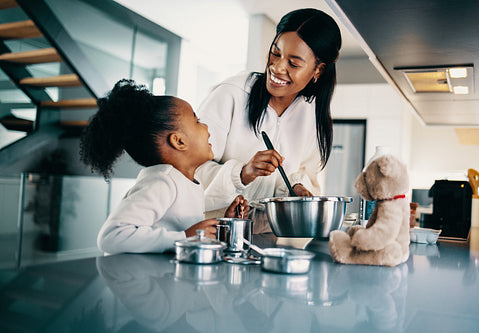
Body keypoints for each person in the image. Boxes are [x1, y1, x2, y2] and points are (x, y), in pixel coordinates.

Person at [195, 8, 342, 217]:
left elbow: (306, 174)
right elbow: (190, 169)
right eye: (275, 52)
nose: (277, 67)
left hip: (269, 234)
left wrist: (297, 189)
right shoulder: (231, 94)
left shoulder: (311, 115)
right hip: (214, 229)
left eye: (294, 63)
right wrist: (242, 173)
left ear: (318, 70)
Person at [79, 79, 249, 254]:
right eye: (197, 121)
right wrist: (185, 238)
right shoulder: (162, 181)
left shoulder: (187, 182)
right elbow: (112, 237)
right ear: (179, 141)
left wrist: (225, 223)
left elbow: (183, 228)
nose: (206, 127)